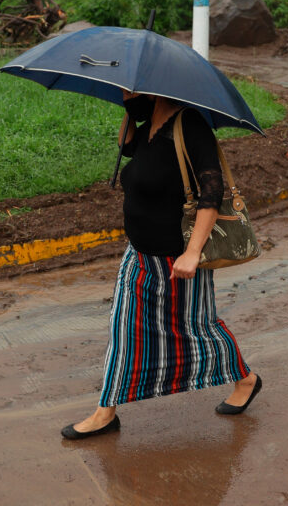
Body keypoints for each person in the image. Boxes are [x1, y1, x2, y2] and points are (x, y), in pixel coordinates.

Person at [61, 91, 261, 440]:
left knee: (197, 330)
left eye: (130, 89)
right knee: (123, 330)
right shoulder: (148, 124)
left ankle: (245, 379)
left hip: (176, 261)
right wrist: (128, 110)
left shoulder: (190, 125)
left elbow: (211, 194)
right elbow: (127, 148)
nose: (125, 94)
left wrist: (193, 253)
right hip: (138, 257)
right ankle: (105, 412)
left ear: (155, 88)